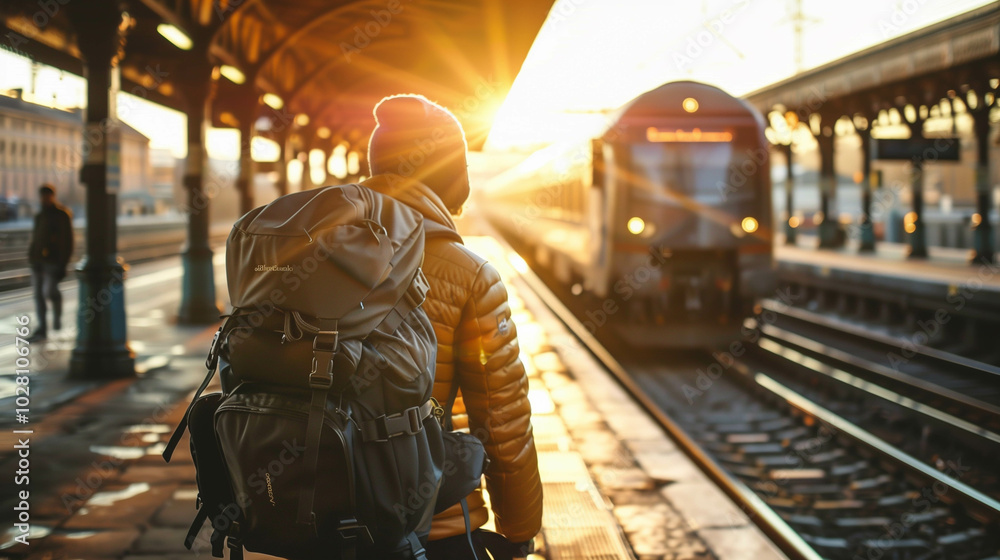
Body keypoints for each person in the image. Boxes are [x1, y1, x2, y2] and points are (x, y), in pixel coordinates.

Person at [363, 94, 542, 560]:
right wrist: (518, 529)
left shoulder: (312, 254)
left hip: (309, 517)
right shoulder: (470, 273)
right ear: (452, 177)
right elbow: (501, 422)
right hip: (430, 525)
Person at [27, 184, 74, 341]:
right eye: (42, 196)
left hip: (54, 261)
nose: (44, 199)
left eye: (47, 196)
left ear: (53, 196)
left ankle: (57, 317)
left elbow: (68, 241)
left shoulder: (62, 215)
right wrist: (32, 256)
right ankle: (42, 329)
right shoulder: (39, 215)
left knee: (49, 291)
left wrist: (64, 263)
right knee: (38, 295)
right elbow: (36, 238)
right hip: (38, 261)